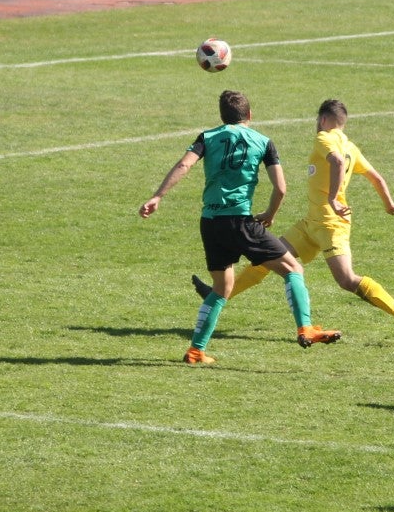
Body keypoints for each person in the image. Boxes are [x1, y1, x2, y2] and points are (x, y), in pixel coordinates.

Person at [191, 98, 394, 345]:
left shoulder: (324, 138)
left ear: (322, 119)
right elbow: (375, 176)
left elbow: (337, 162)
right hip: (311, 223)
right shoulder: (351, 146)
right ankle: (219, 293)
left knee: (346, 280)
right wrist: (389, 203)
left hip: (331, 225)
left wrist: (332, 198)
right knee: (267, 258)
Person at [140, 89, 341, 365]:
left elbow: (184, 165)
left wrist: (157, 196)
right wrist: (269, 214)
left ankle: (196, 351)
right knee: (293, 268)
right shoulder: (263, 142)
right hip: (241, 221)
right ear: (249, 115)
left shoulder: (207, 137)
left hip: (210, 223)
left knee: (222, 287)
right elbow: (280, 188)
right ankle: (305, 328)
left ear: (222, 117)